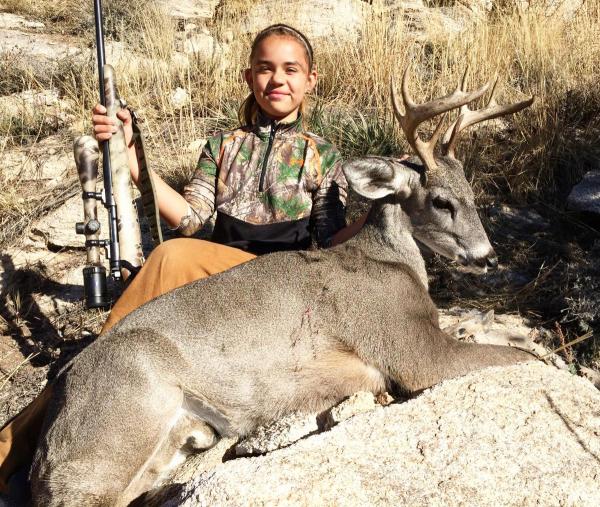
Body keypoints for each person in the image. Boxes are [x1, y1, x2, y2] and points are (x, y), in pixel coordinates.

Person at [0, 23, 367, 493]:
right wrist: (131, 158)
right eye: (265, 68)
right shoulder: (223, 146)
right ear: (248, 76)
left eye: (290, 70)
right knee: (175, 255)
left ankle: (25, 432)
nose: (277, 79)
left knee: (171, 258)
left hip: (282, 289)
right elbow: (192, 218)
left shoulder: (324, 156)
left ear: (310, 80)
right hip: (220, 280)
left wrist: (385, 210)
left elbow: (331, 240)